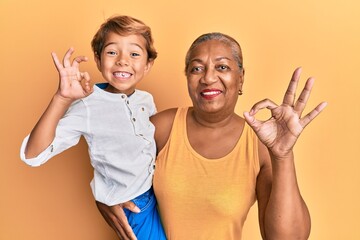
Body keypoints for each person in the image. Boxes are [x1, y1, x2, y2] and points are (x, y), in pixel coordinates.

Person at [96, 32, 327, 240]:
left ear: (241, 77)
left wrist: (283, 156)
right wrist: (104, 199)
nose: (208, 78)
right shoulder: (161, 129)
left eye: (222, 67)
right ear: (187, 77)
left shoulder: (258, 144)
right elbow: (111, 168)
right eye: (197, 68)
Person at [19, 15, 166, 240]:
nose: (123, 60)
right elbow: (33, 155)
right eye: (112, 52)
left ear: (148, 65)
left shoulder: (146, 100)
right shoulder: (88, 104)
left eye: (134, 53)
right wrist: (62, 98)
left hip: (161, 196)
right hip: (135, 206)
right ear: (98, 60)